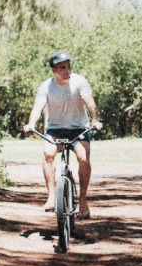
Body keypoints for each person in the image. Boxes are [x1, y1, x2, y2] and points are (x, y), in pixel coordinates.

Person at [23, 51, 103, 218]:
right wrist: (31, 124)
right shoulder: (46, 86)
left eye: (69, 66)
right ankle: (52, 196)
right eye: (62, 67)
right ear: (54, 70)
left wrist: (95, 120)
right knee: (48, 154)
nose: (68, 70)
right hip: (56, 129)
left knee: (83, 157)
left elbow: (90, 103)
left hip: (79, 128)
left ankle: (82, 201)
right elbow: (38, 107)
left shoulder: (80, 82)